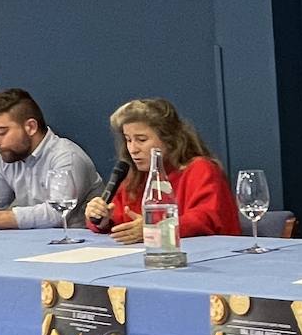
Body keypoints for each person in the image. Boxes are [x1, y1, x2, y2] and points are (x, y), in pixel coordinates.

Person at [0, 89, 101, 231]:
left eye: (1, 132)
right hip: (33, 244)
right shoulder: (7, 157)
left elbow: (57, 214)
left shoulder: (67, 156)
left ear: (31, 127)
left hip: (78, 245)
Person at [84, 98, 239, 243]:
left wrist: (155, 228)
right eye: (128, 140)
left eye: (141, 140)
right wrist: (102, 219)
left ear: (169, 140)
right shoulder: (136, 176)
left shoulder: (201, 169)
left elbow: (206, 220)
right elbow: (121, 220)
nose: (132, 149)